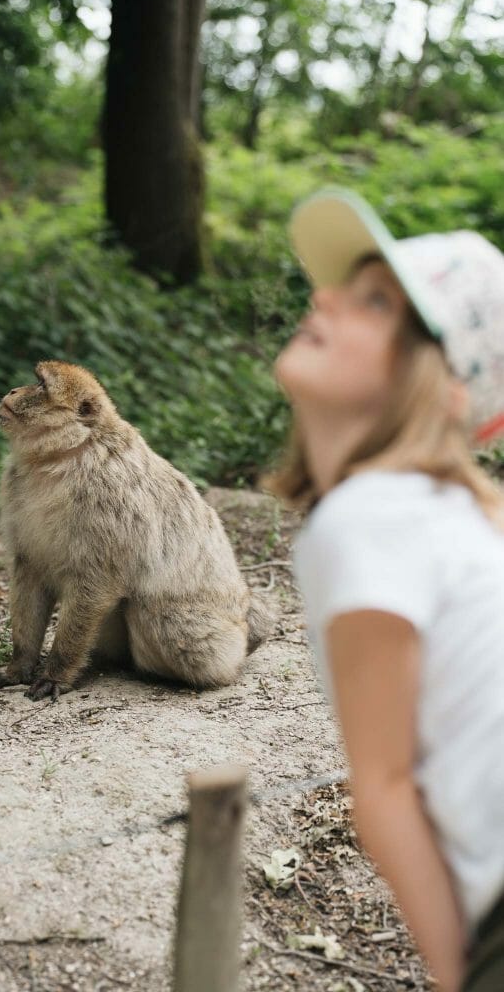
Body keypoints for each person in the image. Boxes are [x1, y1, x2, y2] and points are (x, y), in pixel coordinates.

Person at [269, 188, 504, 992]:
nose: (323, 296)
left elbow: (386, 789)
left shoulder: (370, 516)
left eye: (376, 301)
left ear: (436, 387)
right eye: (343, 284)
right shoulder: (441, 519)